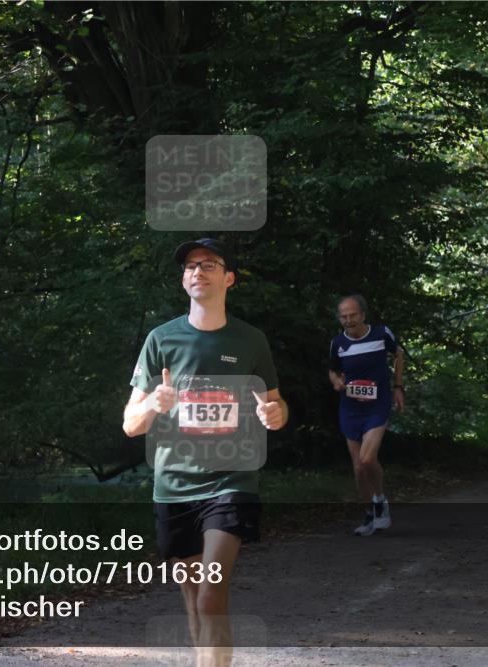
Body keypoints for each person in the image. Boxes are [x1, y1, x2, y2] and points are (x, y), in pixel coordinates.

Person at [123, 239, 287, 667]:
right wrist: (154, 404)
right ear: (184, 280)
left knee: (213, 588)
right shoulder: (161, 339)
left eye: (209, 265)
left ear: (228, 278)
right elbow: (129, 424)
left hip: (231, 480)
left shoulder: (250, 340)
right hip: (174, 484)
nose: (198, 271)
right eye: (191, 266)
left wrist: (275, 413)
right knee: (195, 597)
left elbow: (277, 405)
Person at [328, 294, 405, 536]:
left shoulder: (382, 334)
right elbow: (333, 370)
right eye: (343, 316)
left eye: (352, 315)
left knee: (367, 459)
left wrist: (398, 387)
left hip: (377, 404)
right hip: (350, 408)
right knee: (358, 468)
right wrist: (337, 382)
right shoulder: (338, 343)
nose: (348, 320)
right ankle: (370, 512)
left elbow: (398, 354)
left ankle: (381, 500)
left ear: (362, 315)